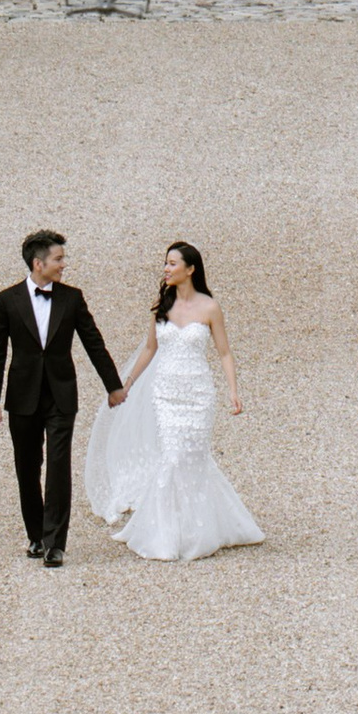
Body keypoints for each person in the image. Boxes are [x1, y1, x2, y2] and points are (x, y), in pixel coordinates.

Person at [83, 241, 263, 563]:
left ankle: (199, 529)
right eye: (165, 263)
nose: (166, 269)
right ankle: (165, 534)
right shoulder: (162, 306)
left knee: (194, 458)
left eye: (173, 263)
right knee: (172, 457)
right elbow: (150, 350)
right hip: (165, 394)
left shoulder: (210, 308)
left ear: (190, 269)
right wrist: (127, 384)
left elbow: (224, 352)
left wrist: (234, 390)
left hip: (198, 394)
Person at [0, 231, 124, 569]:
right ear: (38, 263)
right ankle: (35, 534)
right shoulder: (7, 300)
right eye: (59, 259)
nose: (64, 265)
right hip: (22, 398)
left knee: (59, 468)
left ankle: (54, 543)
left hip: (62, 396)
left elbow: (94, 342)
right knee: (28, 468)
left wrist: (113, 385)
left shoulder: (72, 299)